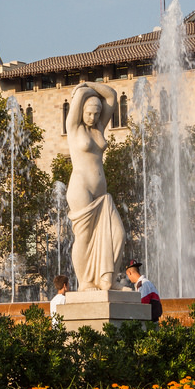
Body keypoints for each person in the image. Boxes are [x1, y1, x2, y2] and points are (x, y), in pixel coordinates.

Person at [65, 81, 126, 291]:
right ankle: (85, 283)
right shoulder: (73, 128)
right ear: (81, 111)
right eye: (89, 113)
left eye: (97, 113)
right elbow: (78, 95)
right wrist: (83, 90)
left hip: (102, 195)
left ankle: (107, 280)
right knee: (84, 237)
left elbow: (111, 96)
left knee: (118, 234)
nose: (93, 117)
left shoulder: (99, 126)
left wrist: (89, 84)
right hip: (81, 188)